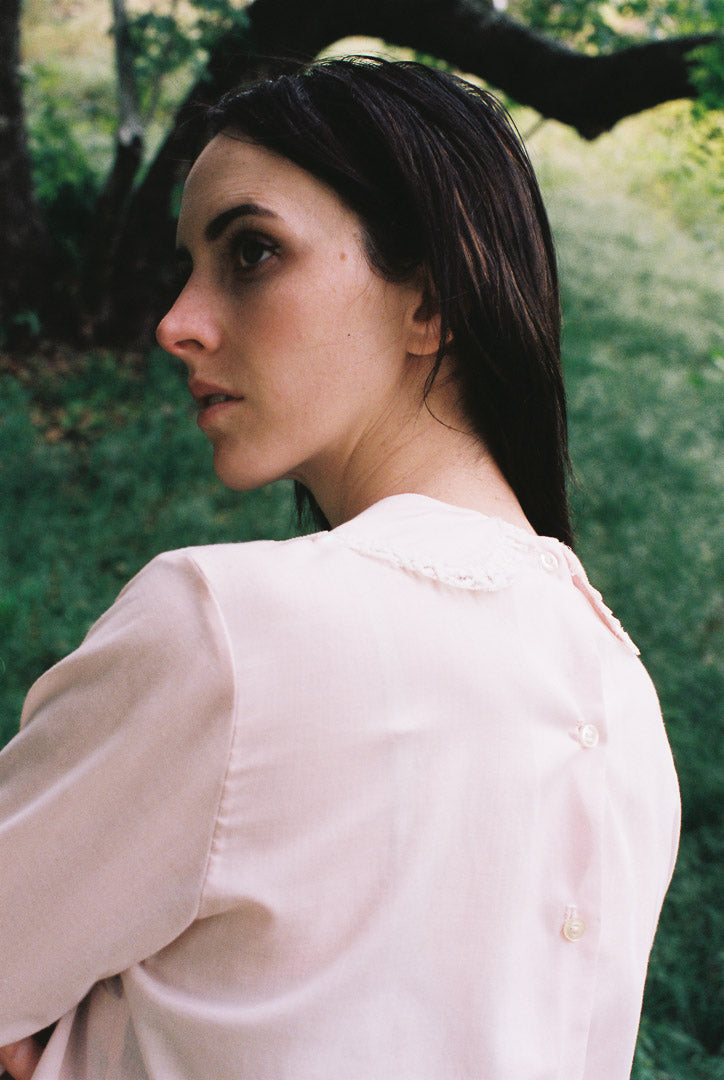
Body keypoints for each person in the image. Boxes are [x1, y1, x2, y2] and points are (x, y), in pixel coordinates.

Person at [0, 58, 680, 1080]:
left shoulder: (229, 628)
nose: (175, 321)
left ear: (432, 302)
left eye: (252, 252)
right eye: (187, 264)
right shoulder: (624, 706)